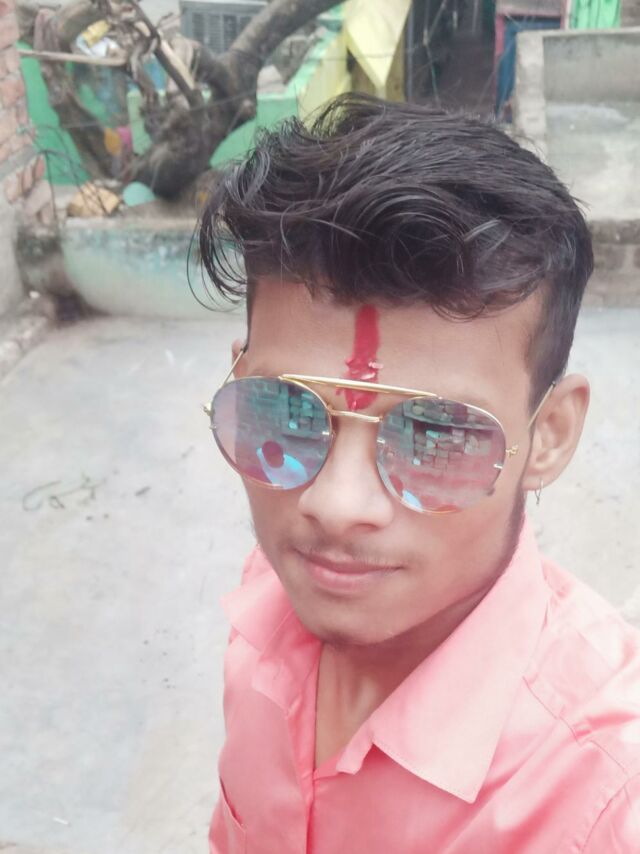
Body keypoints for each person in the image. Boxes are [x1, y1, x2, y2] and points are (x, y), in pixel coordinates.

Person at [198, 94, 640, 852]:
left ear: (549, 436)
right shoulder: (267, 604)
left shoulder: (605, 802)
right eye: (285, 410)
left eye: (435, 434)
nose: (335, 505)